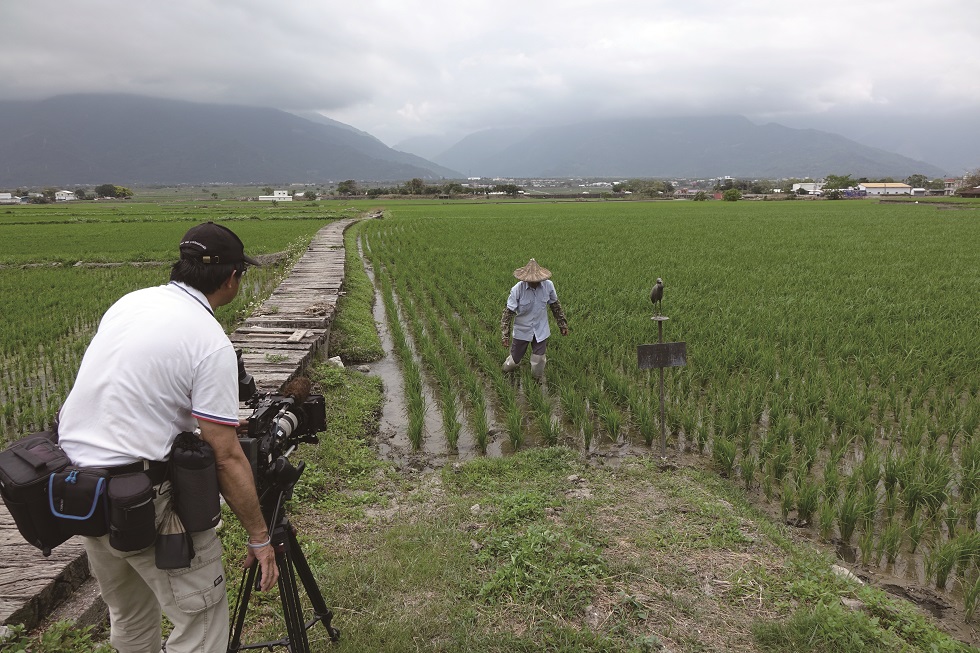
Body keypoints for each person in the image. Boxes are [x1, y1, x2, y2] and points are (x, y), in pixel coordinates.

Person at [57, 222, 279, 653]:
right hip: (146, 499)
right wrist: (259, 535)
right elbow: (225, 453)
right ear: (232, 278)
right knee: (200, 623)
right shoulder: (209, 340)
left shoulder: (130, 303)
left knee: (131, 619)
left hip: (84, 491)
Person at [500, 258, 569, 381]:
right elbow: (507, 314)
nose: (533, 283)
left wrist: (562, 324)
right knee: (515, 360)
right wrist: (505, 336)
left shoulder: (548, 286)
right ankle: (504, 372)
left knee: (539, 360)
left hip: (540, 329)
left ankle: (535, 382)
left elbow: (555, 306)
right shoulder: (517, 289)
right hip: (522, 329)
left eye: (536, 281)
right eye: (530, 281)